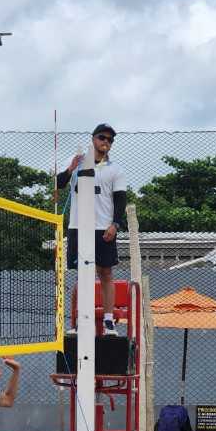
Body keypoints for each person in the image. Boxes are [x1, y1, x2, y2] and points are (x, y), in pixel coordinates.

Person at [57, 123, 127, 335]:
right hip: (78, 226)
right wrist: (70, 169)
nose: (106, 142)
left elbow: (120, 200)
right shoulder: (77, 163)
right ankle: (79, 322)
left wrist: (115, 224)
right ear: (93, 139)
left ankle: (108, 322)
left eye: (110, 140)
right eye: (102, 137)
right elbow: (58, 185)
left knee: (105, 273)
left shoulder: (115, 169)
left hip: (102, 227)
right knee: (81, 274)